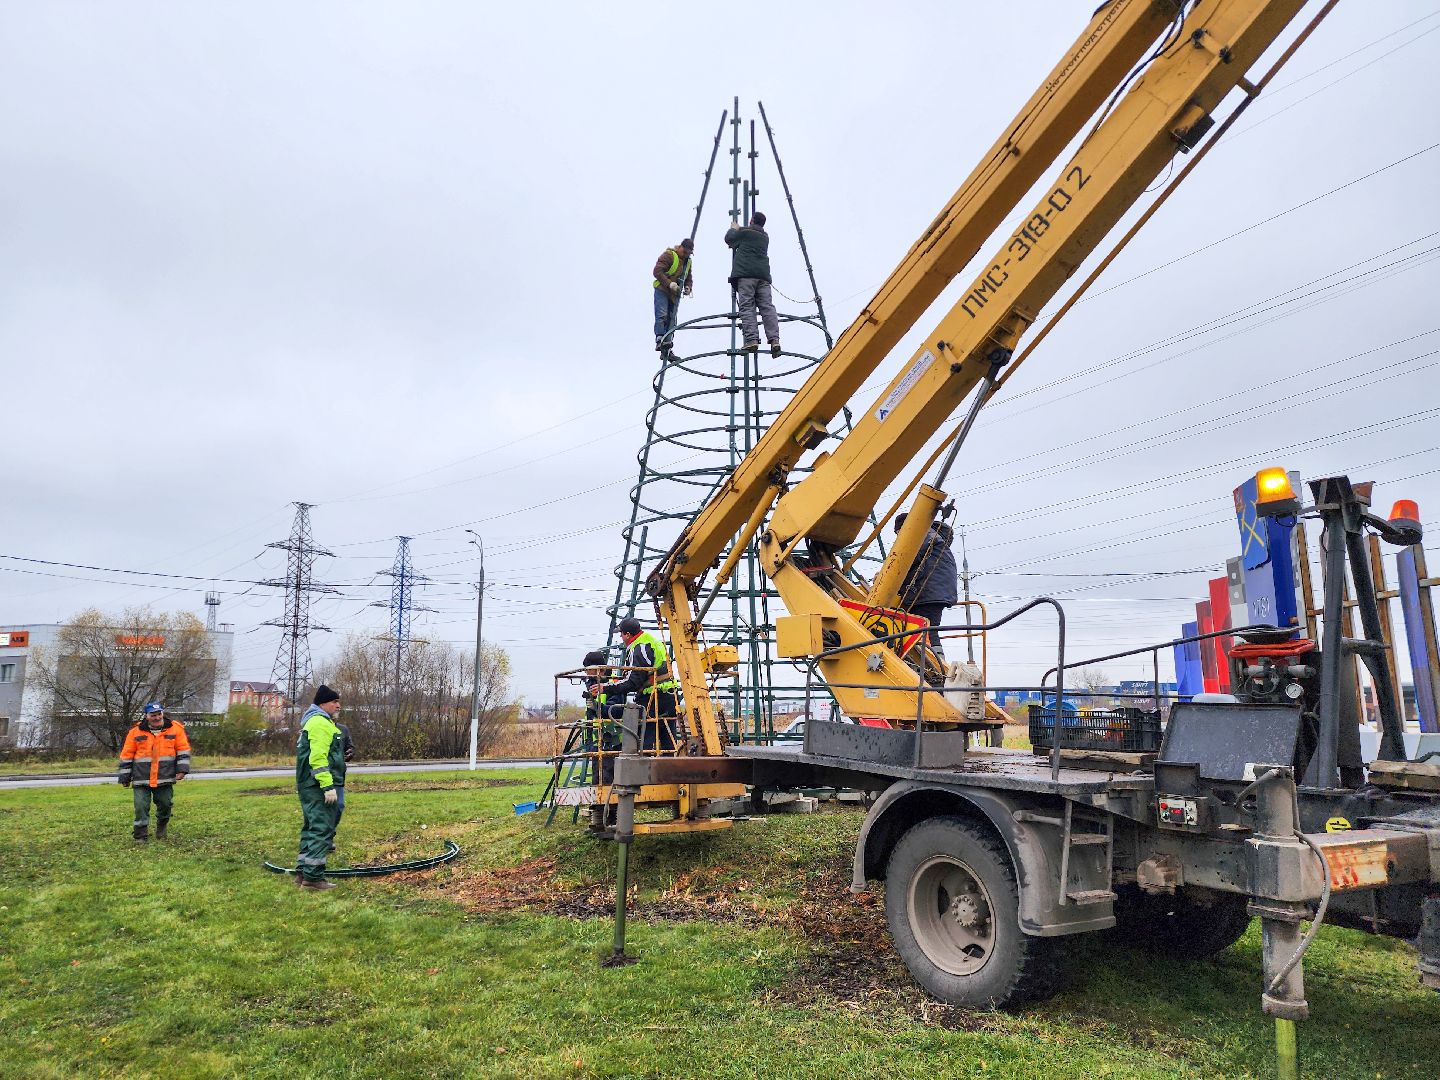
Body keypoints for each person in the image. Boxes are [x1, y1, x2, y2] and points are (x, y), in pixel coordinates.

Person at [600, 617, 679, 752]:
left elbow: (633, 681)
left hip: (653, 697)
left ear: (628, 635)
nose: (621, 637)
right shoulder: (652, 641)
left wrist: (605, 688)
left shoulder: (639, 648)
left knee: (644, 740)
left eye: (621, 634)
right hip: (669, 695)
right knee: (668, 741)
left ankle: (642, 770)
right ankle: (669, 770)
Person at [295, 684, 346, 890]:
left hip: (308, 784)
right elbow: (318, 758)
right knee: (321, 828)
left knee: (310, 828)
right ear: (323, 703)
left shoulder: (315, 721)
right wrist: (327, 786)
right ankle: (313, 879)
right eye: (334, 701)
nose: (338, 705)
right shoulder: (320, 723)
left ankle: (303, 871)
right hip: (316, 786)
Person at [117, 702, 191, 841]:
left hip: (165, 777)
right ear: (147, 716)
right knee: (140, 807)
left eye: (159, 714)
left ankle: (161, 827)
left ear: (162, 713)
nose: (156, 718)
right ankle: (140, 836)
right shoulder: (135, 732)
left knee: (165, 804)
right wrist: (125, 777)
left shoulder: (176, 729)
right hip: (141, 778)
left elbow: (183, 750)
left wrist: (182, 770)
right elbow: (127, 754)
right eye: (153, 715)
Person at [895, 513, 959, 662]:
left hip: (927, 594)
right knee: (929, 630)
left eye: (898, 532)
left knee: (925, 631)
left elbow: (905, 561)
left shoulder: (921, 536)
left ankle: (935, 666)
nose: (898, 536)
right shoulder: (935, 538)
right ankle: (937, 665)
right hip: (936, 592)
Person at [724, 211, 781, 357]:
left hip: (746, 275)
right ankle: (774, 340)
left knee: (747, 306)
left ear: (751, 220)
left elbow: (729, 239)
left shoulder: (745, 232)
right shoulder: (765, 237)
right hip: (763, 277)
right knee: (767, 307)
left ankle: (752, 339)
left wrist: (734, 228)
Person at [652, 238, 695, 359]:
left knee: (671, 321)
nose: (686, 255)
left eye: (689, 253)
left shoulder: (687, 262)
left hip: (673, 295)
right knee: (662, 314)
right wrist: (669, 283)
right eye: (685, 252)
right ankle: (660, 339)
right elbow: (657, 271)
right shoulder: (669, 255)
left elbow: (688, 277)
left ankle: (667, 350)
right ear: (680, 248)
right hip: (662, 289)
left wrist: (688, 287)